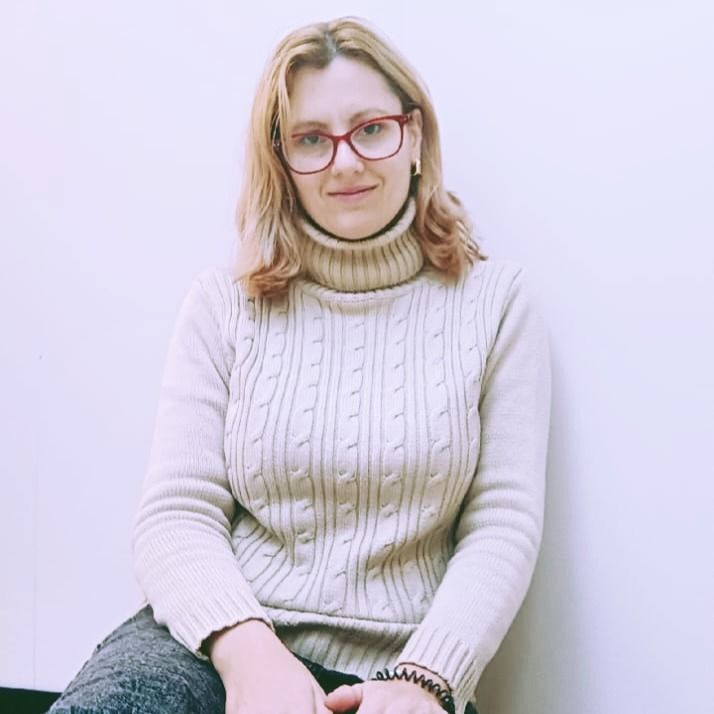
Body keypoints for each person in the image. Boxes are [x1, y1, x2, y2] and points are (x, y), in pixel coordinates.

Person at [49, 15, 551, 714]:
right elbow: (174, 515)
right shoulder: (224, 305)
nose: (345, 162)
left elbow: (502, 525)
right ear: (281, 160)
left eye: (370, 129)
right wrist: (251, 655)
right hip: (216, 645)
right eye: (312, 139)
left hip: (404, 670)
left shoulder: (496, 304)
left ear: (414, 137)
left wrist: (428, 681)